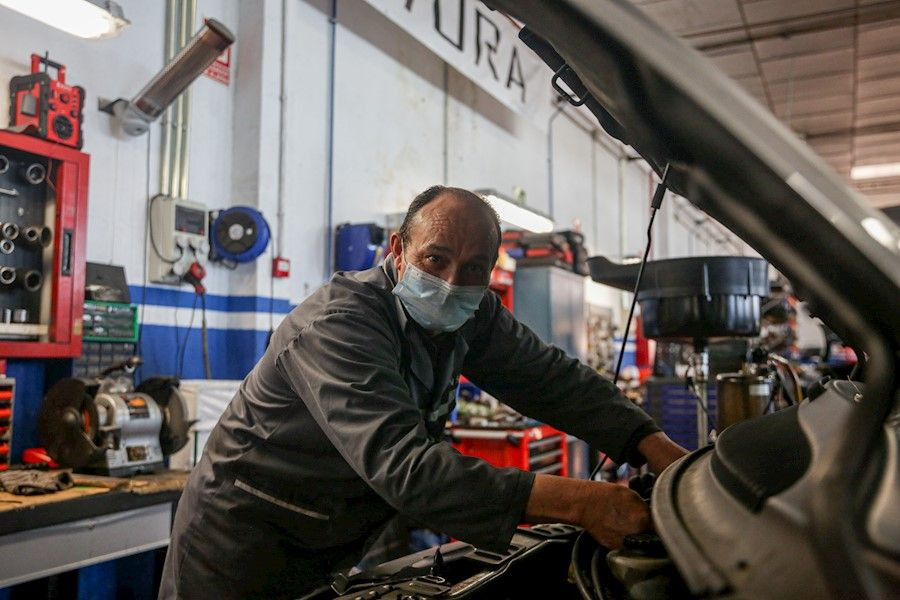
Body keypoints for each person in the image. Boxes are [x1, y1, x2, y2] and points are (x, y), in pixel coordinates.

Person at [158, 185, 687, 600]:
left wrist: (653, 445)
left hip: (331, 541)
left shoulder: (472, 312)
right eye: (435, 259)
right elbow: (405, 466)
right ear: (398, 250)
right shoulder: (339, 324)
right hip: (238, 546)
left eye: (474, 268)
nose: (453, 282)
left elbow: (550, 378)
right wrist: (581, 502)